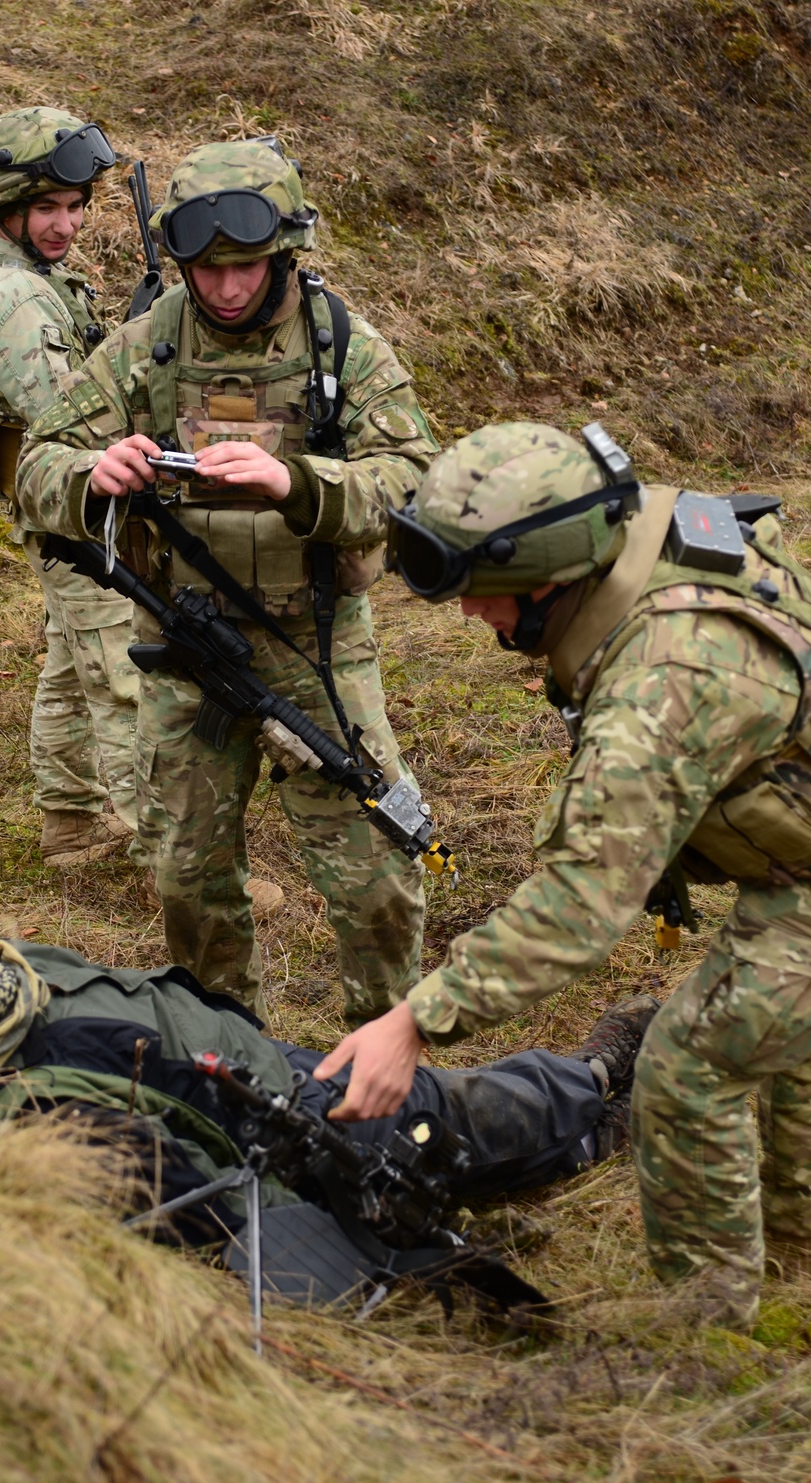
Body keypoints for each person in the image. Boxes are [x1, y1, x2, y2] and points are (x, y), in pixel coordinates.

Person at [315, 419, 811, 1327]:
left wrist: (416, 1020)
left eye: (486, 593)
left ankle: (709, 1328)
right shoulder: (638, 538)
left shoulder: (666, 678)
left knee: (692, 1062)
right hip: (795, 856)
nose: (471, 615)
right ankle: (795, 1270)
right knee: (774, 1040)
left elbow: (584, 900)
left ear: (549, 574)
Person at [14, 137, 439, 1022]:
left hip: (314, 644)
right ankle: (228, 1060)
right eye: (205, 270)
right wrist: (93, 473)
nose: (228, 289)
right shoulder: (146, 349)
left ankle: (386, 1055)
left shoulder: (341, 349)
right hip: (185, 644)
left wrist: (298, 483)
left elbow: (417, 483)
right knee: (187, 879)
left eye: (246, 267)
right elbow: (35, 468)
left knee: (377, 879)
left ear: (284, 250)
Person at [0, 911, 657, 1250]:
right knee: (467, 1124)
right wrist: (389, 1241)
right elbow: (220, 1210)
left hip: (266, 1067)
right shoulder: (24, 1124)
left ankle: (599, 1084)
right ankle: (609, 1096)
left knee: (463, 1112)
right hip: (308, 1135)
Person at [0, 107, 142, 868]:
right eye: (48, 209)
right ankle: (169, 862)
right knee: (125, 674)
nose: (68, 224)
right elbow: (71, 425)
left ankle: (70, 824)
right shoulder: (20, 301)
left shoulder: (35, 278)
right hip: (73, 505)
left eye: (76, 206)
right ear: (8, 210)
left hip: (56, 505)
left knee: (71, 659)